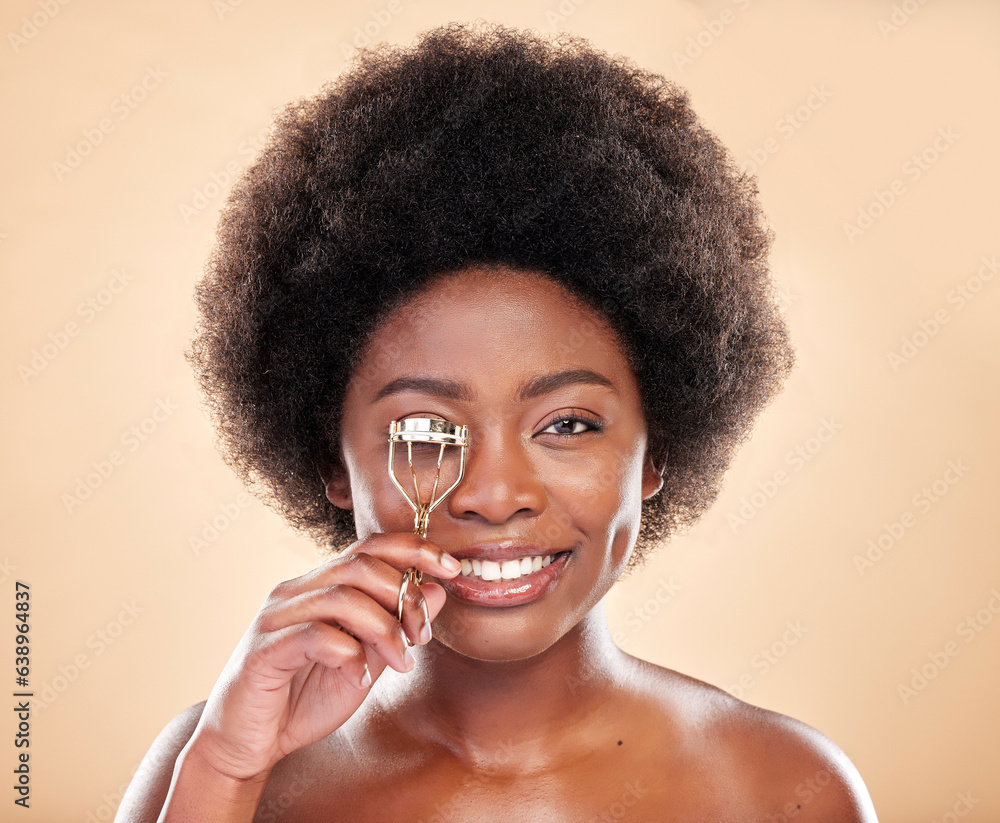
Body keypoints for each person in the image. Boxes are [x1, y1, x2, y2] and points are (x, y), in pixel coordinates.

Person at [117, 22, 879, 821]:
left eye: (570, 424)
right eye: (426, 431)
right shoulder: (213, 764)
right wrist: (227, 770)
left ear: (658, 451)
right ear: (331, 461)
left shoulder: (781, 788)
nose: (492, 493)